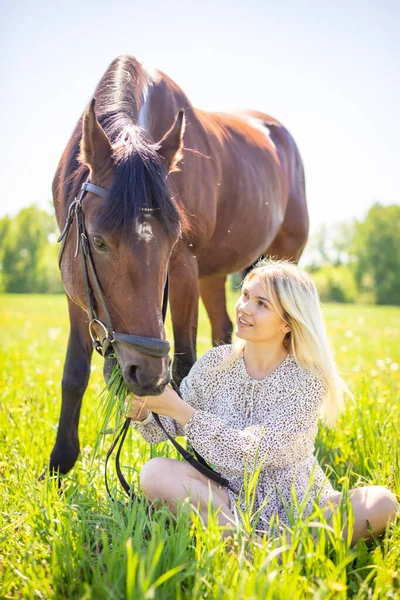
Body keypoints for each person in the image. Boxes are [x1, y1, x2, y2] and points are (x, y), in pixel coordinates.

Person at [126, 258, 398, 545]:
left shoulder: (307, 380)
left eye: (261, 304)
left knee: (381, 502)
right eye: (245, 296)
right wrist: (144, 411)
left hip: (301, 510)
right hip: (226, 500)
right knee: (155, 472)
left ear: (288, 323)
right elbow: (164, 427)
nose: (244, 308)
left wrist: (180, 409)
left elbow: (253, 455)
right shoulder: (214, 365)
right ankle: (258, 547)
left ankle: (259, 547)